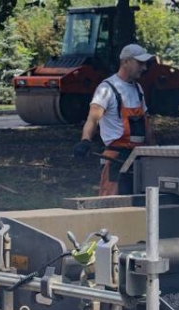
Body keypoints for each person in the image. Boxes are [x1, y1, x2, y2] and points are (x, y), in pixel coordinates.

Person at [73, 44, 156, 196]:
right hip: (116, 160)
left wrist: (156, 151)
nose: (144, 68)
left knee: (139, 204)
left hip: (138, 158)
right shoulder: (107, 89)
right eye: (140, 63)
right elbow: (92, 119)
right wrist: (85, 141)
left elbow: (146, 125)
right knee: (111, 205)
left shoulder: (138, 89)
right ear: (126, 62)